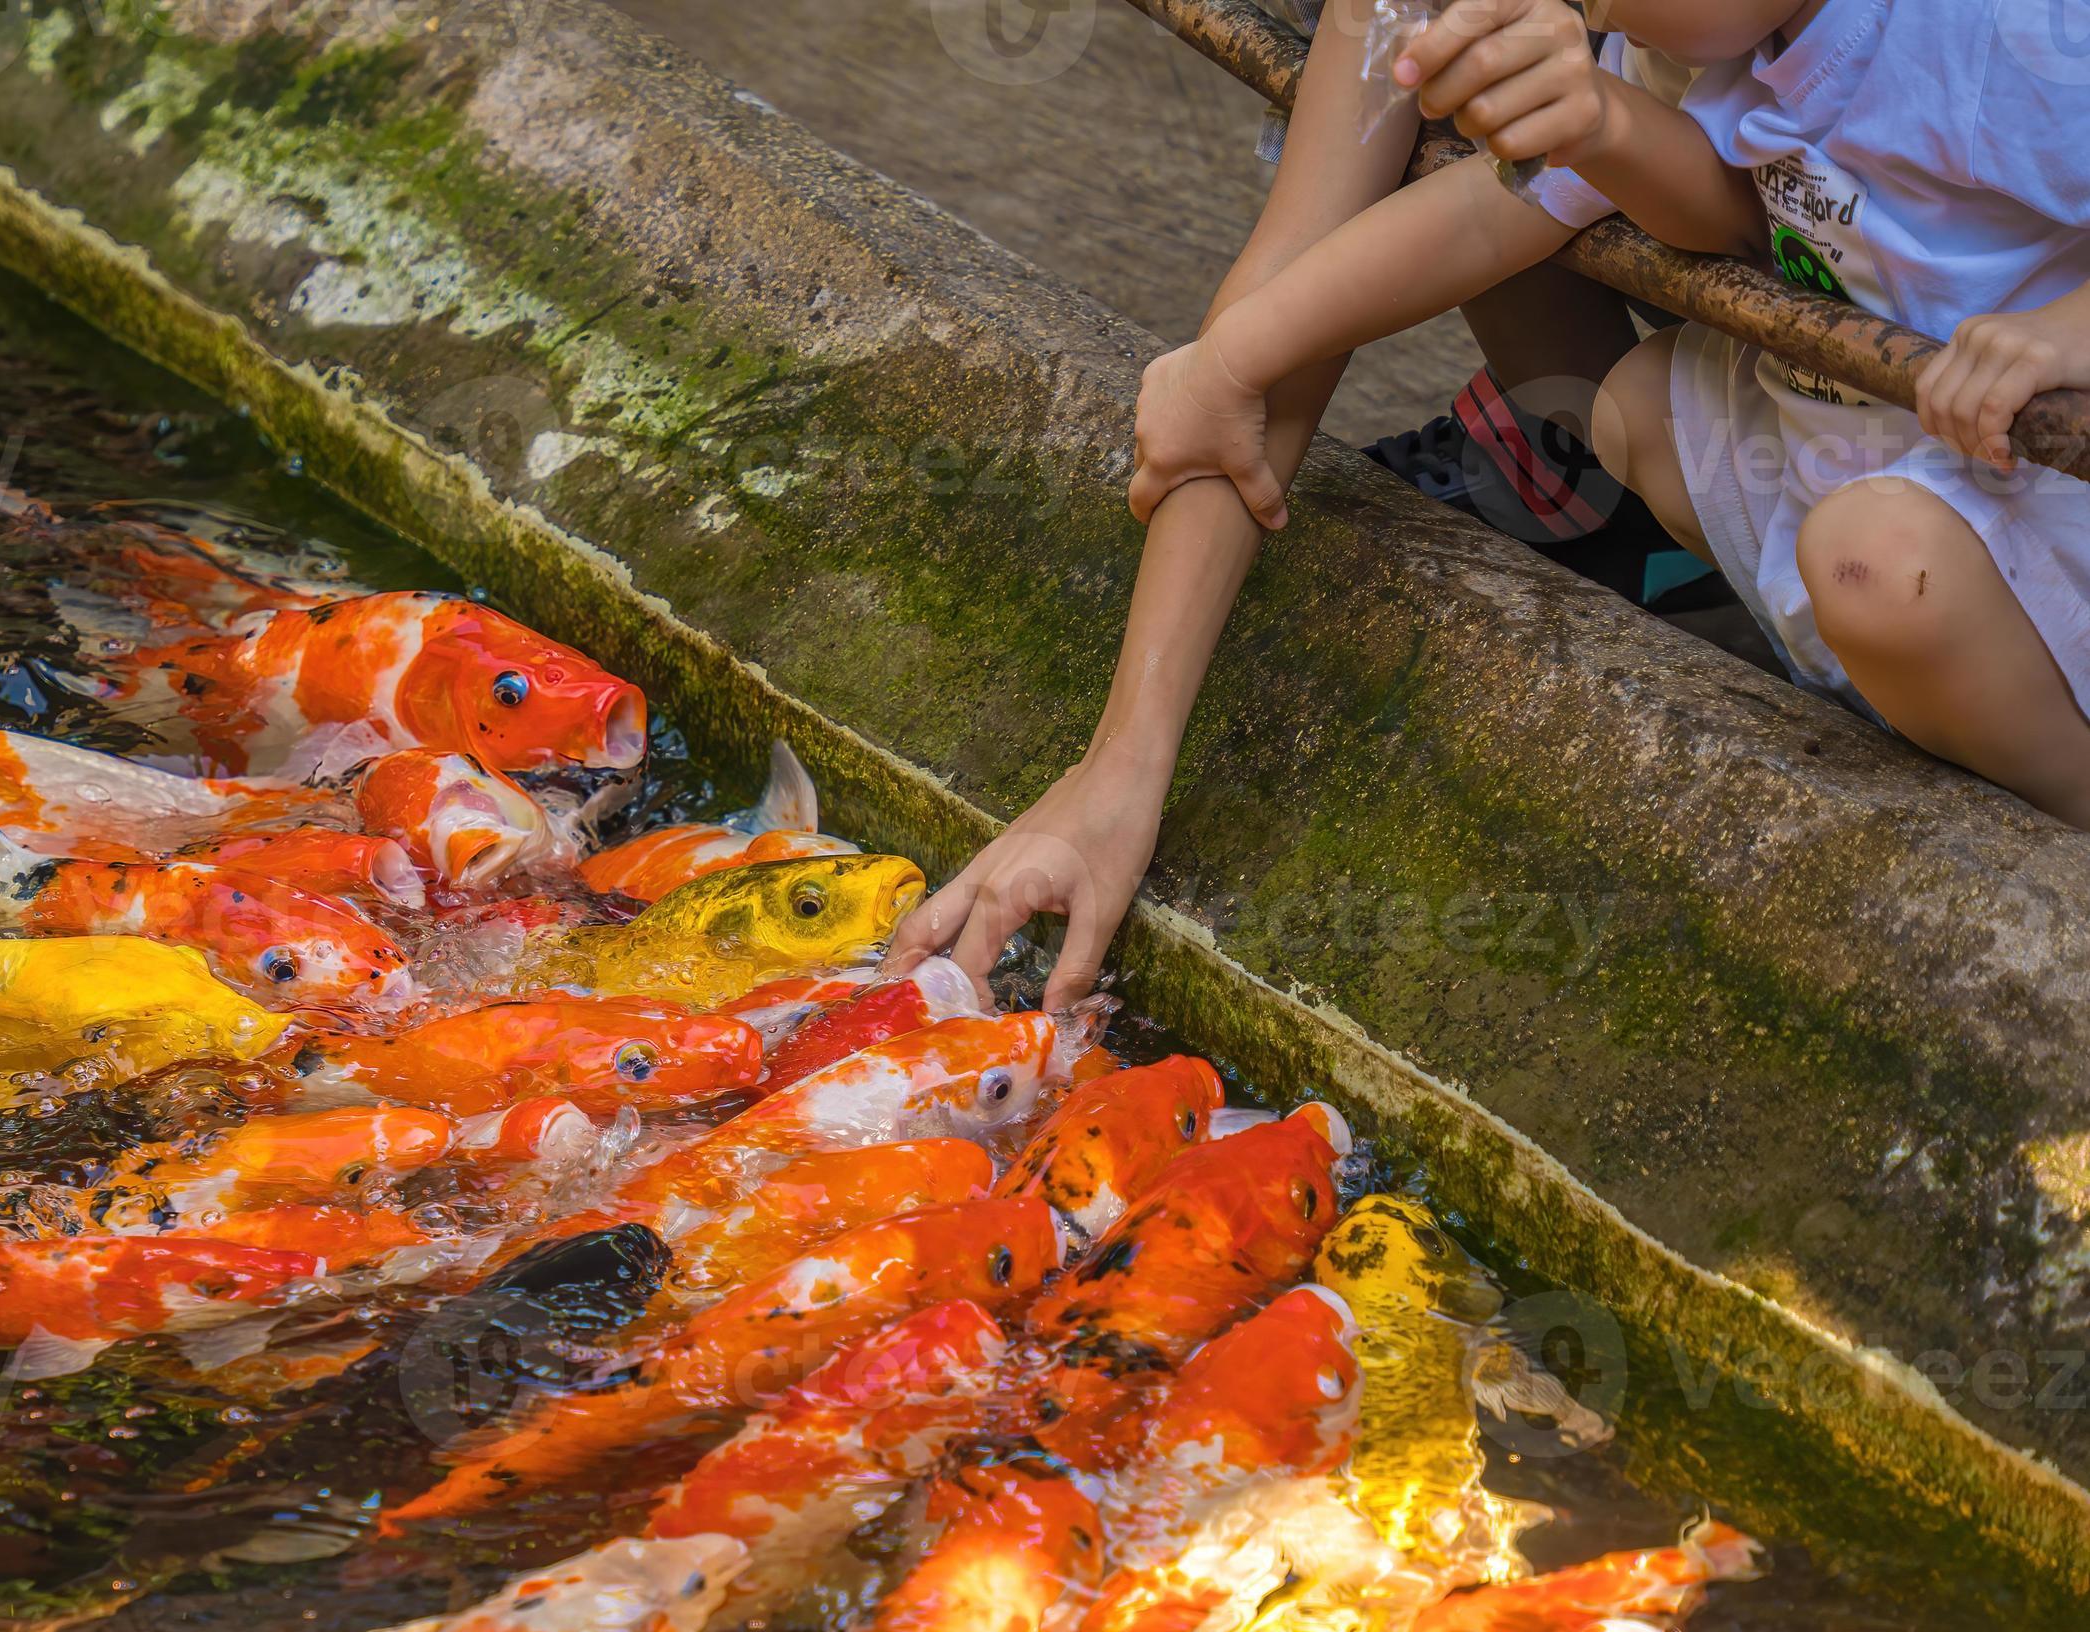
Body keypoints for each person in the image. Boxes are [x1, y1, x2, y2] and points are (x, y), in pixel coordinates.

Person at [894, 0, 2090, 1010]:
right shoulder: (1712, 35)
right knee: (1538, 211)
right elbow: (1459, 215)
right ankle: (1595, 499)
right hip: (1841, 412)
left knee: (1880, 562)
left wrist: (2055, 335)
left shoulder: (2000, 46)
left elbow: (1709, 196)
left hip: (1970, 460)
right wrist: (1119, 769)